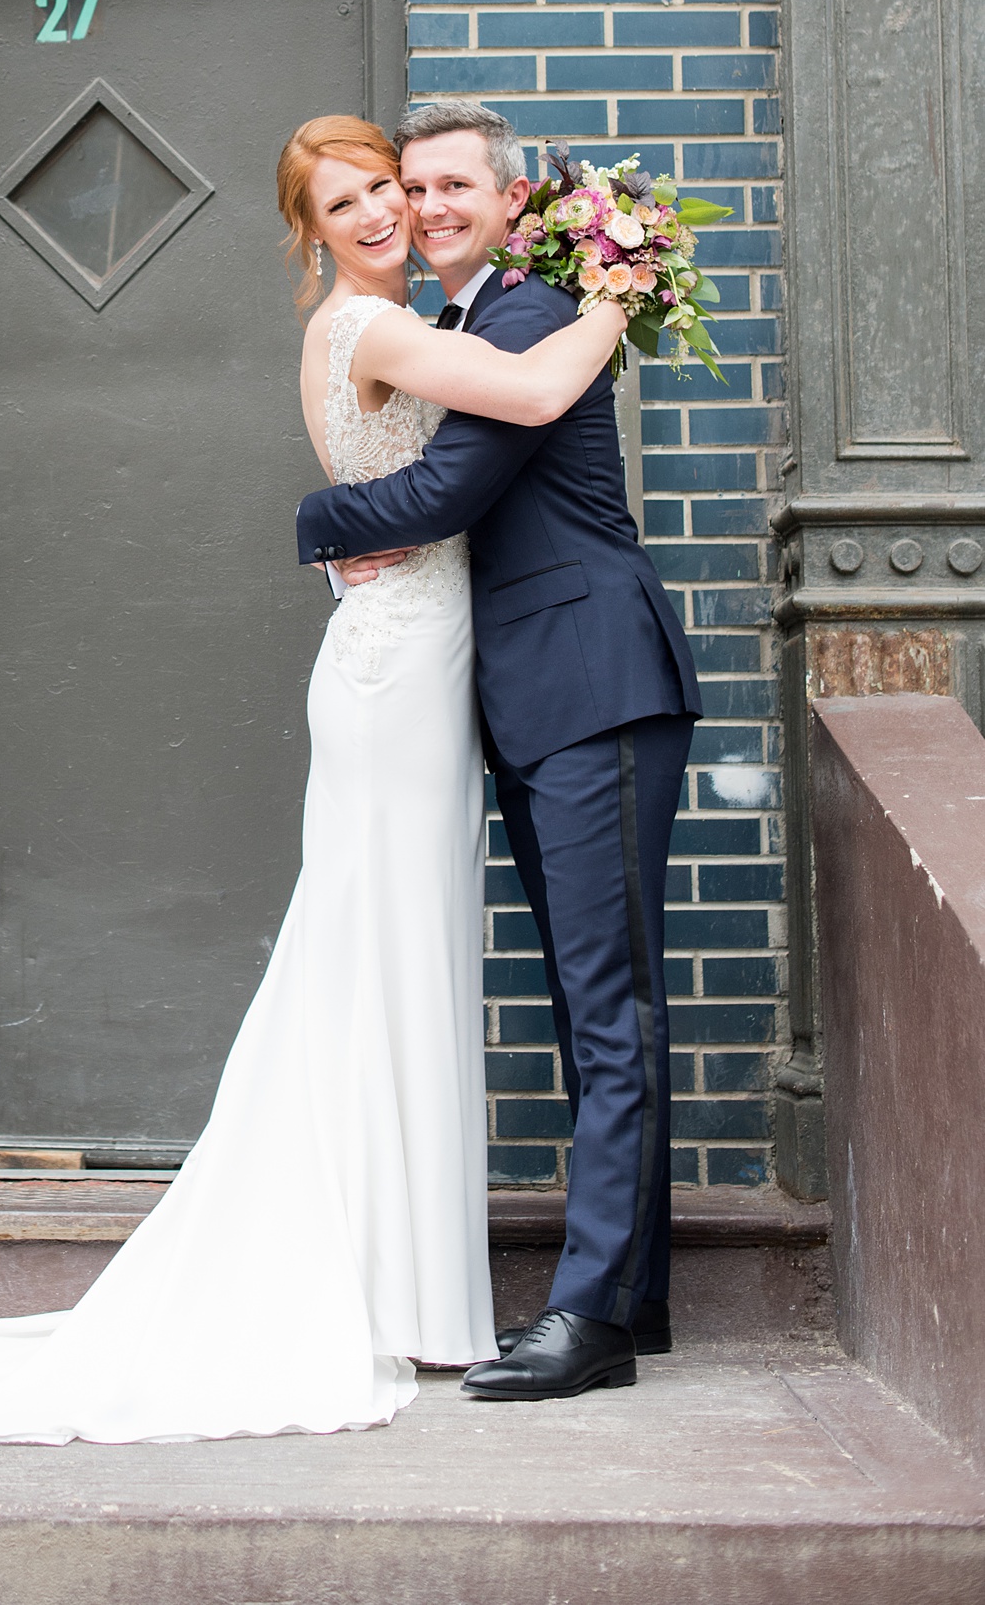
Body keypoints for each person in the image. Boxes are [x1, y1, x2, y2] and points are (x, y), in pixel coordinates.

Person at [0, 115, 628, 1446]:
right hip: (398, 673)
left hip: (419, 658)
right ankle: (385, 1291)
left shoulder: (411, 322)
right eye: (346, 205)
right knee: (382, 960)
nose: (381, 217)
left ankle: (403, 1286)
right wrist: (620, 300)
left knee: (393, 964)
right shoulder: (370, 329)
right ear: (314, 234)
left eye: (389, 191)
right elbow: (521, 403)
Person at [296, 97, 703, 1404]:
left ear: (514, 201)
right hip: (535, 702)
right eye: (412, 186)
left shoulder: (525, 314)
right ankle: (630, 1298)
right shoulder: (467, 324)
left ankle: (589, 1314)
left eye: (453, 184)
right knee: (594, 1003)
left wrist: (315, 515)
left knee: (607, 1003)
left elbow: (451, 492)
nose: (425, 206)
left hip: (592, 685)